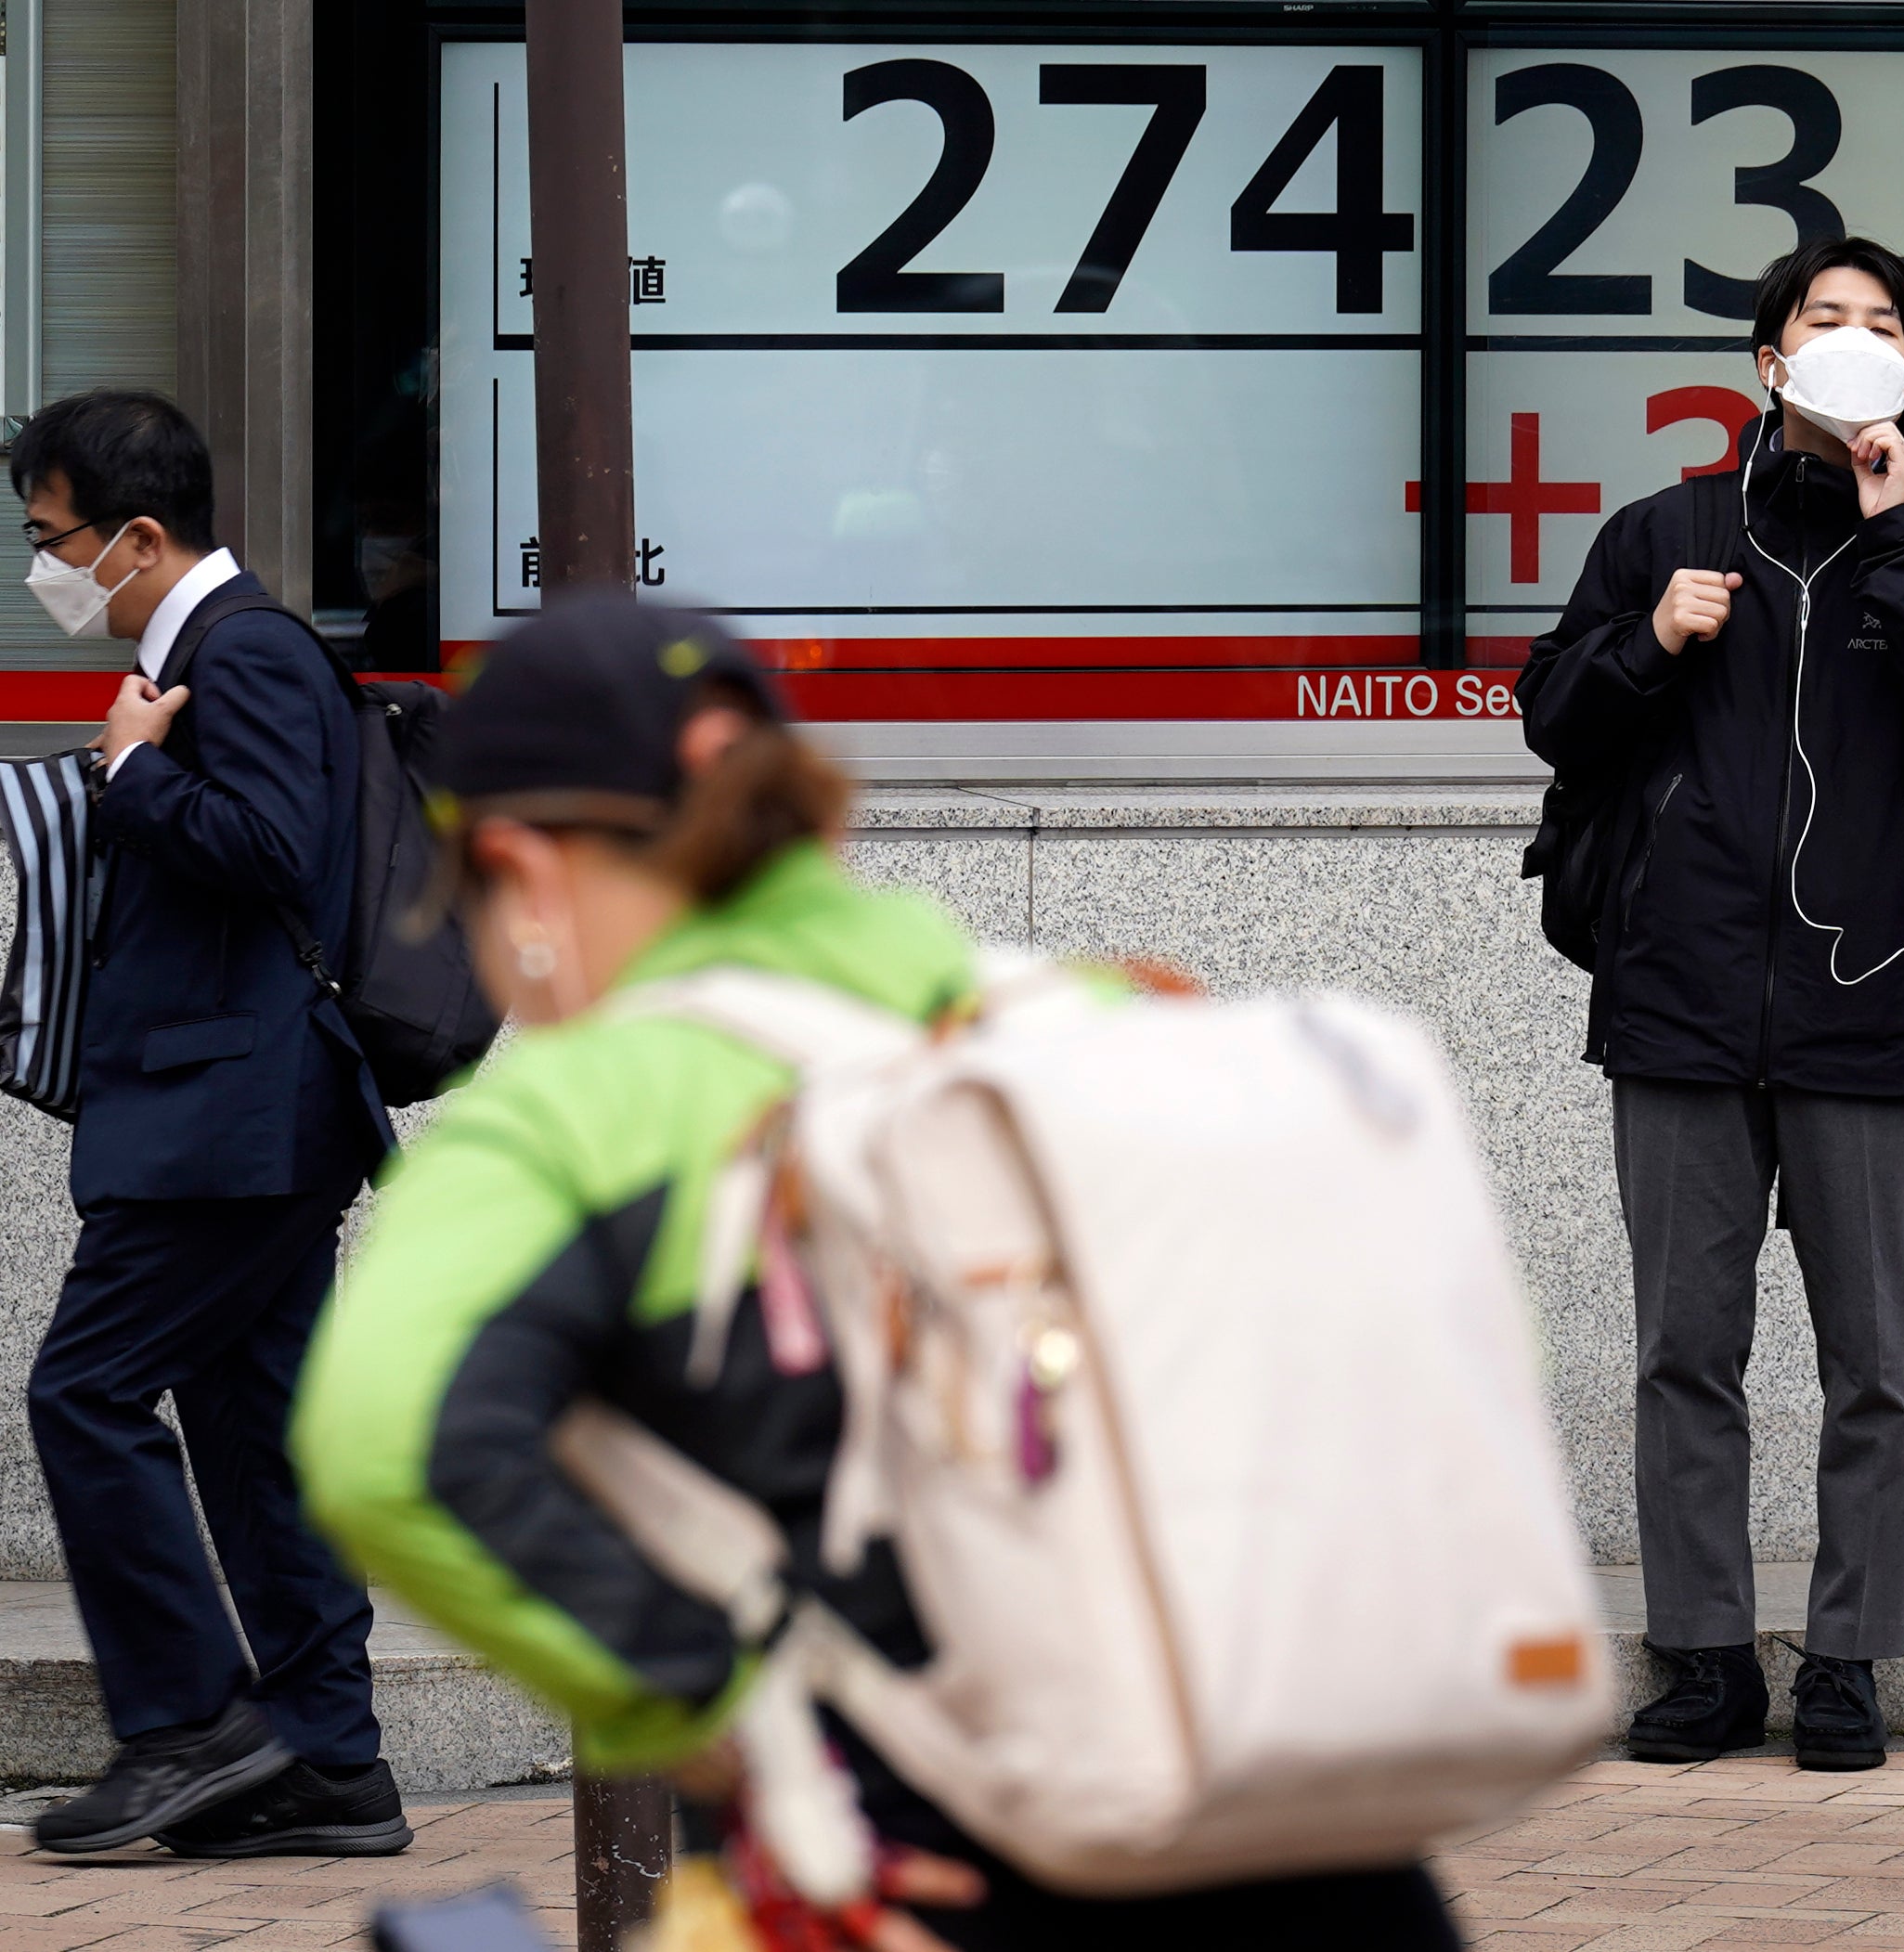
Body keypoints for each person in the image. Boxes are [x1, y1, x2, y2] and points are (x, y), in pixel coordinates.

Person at [291, 597, 1462, 1949]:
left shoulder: (580, 1110)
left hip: (930, 1847)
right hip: (1300, 1809)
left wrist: (705, 1699)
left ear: (520, 867)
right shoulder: (1088, 1010)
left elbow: (387, 1446)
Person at [1519, 237, 1904, 1771]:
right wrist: (1649, 639)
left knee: (1874, 1362)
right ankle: (1699, 1658)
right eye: (1826, 318)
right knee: (1685, 1349)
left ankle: (1847, 1661)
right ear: (1770, 361)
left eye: (1884, 323)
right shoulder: (1667, 531)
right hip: (1681, 996)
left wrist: (1895, 539)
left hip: (1876, 1001)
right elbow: (1551, 713)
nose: (1855, 339)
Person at [12, 390, 404, 1857]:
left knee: (85, 1392)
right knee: (255, 1438)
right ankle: (330, 1765)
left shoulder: (244, 654)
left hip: (232, 1127)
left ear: (138, 535)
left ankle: (190, 1726)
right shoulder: (206, 659)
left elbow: (269, 846)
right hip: (236, 1120)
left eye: (53, 538)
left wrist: (129, 772)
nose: (46, 569)